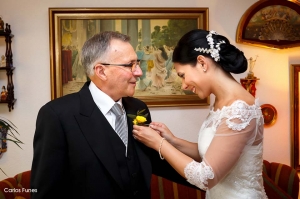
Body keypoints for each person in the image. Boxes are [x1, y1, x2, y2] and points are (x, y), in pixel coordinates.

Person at [30, 31, 189, 199]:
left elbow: (153, 163)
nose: (139, 72)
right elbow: (45, 192)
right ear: (101, 71)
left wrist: (211, 179)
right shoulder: (57, 116)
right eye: (130, 65)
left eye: (138, 63)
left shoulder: (138, 108)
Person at [133, 29, 267, 199]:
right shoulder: (222, 102)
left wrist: (159, 144)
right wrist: (172, 140)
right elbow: (212, 153)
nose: (183, 85)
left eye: (182, 75)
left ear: (202, 63)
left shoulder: (239, 109)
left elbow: (206, 178)